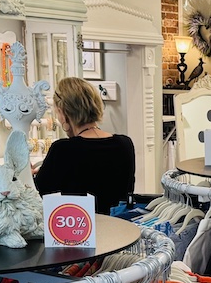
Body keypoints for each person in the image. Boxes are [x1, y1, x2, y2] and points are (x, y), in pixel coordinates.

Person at [34, 77, 136, 213]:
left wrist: (30, 177)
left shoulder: (62, 150)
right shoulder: (125, 144)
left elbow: (39, 196)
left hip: (79, 230)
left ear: (64, 113)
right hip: (118, 228)